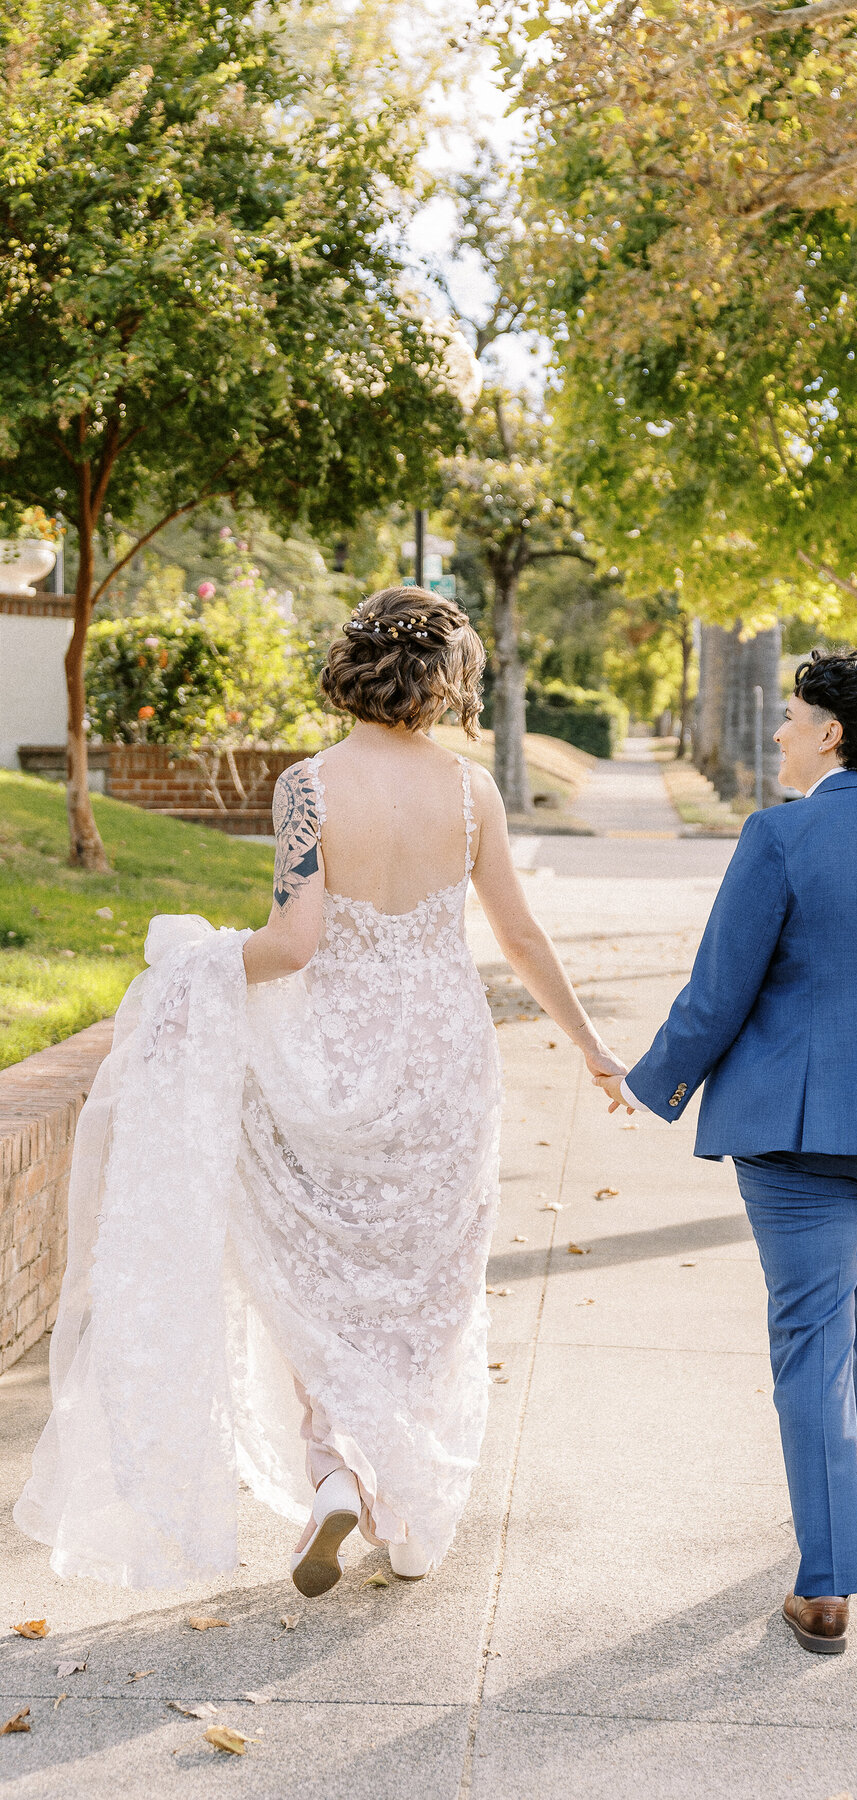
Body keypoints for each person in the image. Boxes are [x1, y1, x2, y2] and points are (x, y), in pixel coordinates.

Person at [16, 587, 626, 1596]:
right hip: (442, 1065)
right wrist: (594, 1047)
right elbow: (519, 935)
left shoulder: (308, 786)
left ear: (353, 664)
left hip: (330, 1065)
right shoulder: (473, 795)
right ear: (447, 682)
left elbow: (294, 945)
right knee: (428, 1285)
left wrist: (196, 969)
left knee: (317, 1274)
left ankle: (335, 1470)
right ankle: (403, 1500)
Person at [597, 648, 857, 1655]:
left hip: (799, 1133)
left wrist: (649, 1083)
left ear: (832, 732)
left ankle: (825, 1587)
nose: (778, 733)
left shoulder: (778, 836)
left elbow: (718, 993)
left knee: (810, 1337)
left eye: (792, 717)